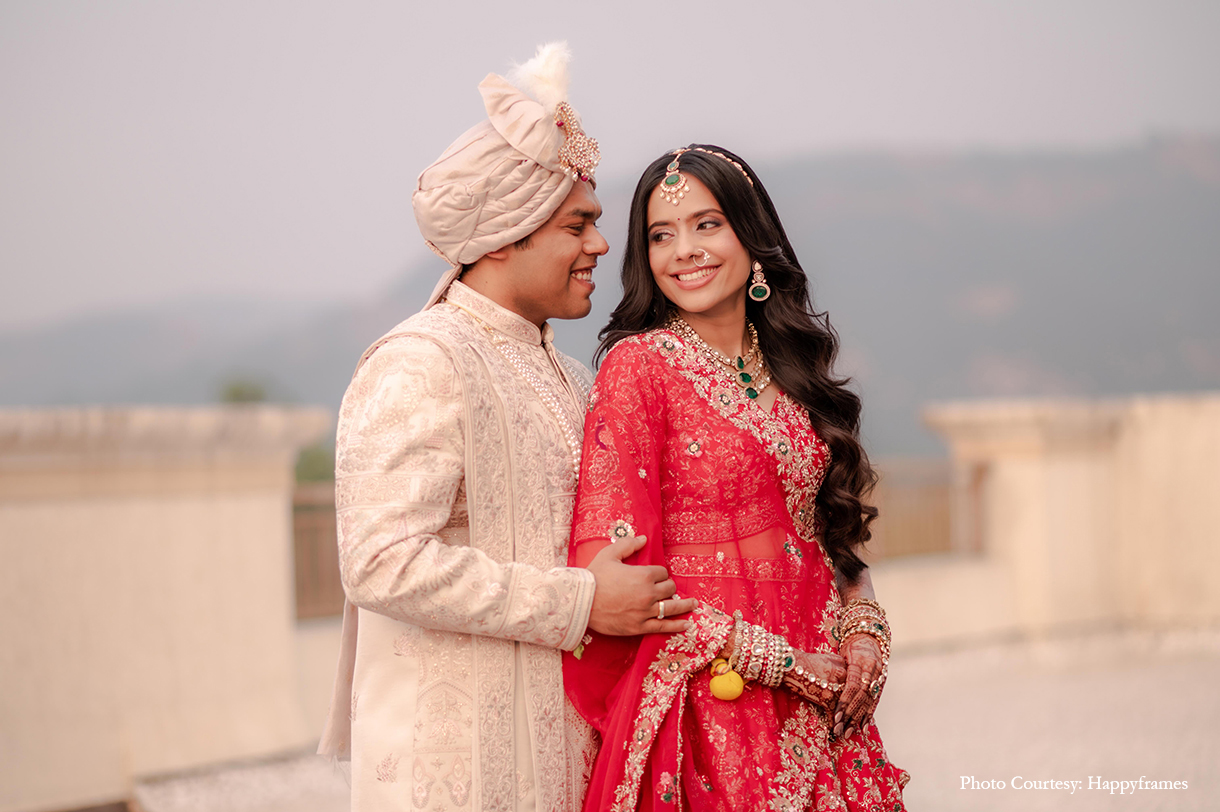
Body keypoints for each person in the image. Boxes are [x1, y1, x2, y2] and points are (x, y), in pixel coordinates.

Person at [317, 44, 696, 812]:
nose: (600, 245)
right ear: (501, 237)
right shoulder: (421, 359)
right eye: (576, 225)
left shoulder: (567, 372)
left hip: (560, 757)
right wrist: (581, 604)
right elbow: (380, 562)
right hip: (452, 773)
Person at [564, 145, 909, 811]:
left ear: (754, 237)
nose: (684, 250)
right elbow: (619, 577)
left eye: (707, 224)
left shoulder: (792, 370)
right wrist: (777, 663)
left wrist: (864, 628)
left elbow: (826, 537)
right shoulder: (638, 370)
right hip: (709, 708)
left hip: (826, 699)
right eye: (661, 235)